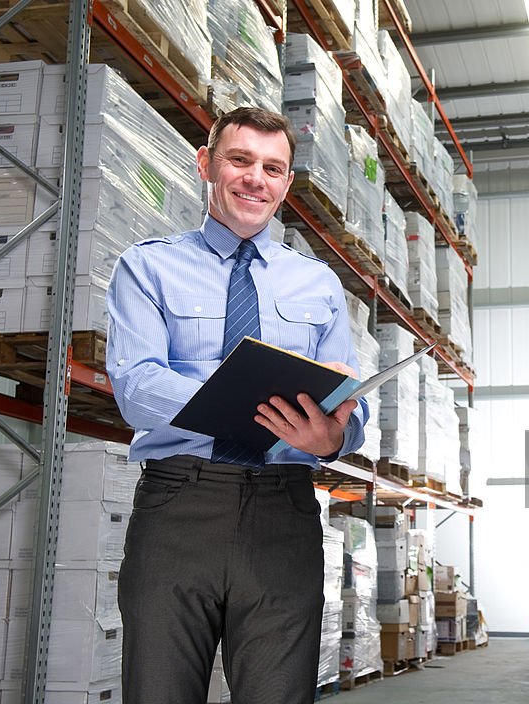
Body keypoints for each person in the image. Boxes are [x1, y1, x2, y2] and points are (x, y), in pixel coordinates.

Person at [106, 106, 368, 704]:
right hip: (180, 507)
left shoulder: (318, 283)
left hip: (285, 513)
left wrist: (333, 438)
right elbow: (137, 387)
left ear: (286, 184)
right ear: (207, 164)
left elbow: (347, 398)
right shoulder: (147, 266)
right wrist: (243, 405)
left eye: (273, 168)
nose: (256, 179)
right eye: (240, 160)